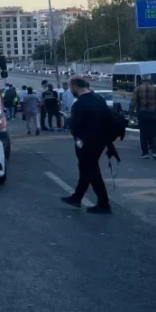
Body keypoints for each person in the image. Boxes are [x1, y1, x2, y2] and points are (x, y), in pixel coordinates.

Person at [62, 76, 114, 213]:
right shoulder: (98, 99)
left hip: (85, 142)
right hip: (100, 141)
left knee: (91, 170)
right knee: (86, 169)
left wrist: (68, 120)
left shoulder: (79, 104)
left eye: (70, 86)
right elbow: (108, 119)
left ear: (76, 87)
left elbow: (75, 126)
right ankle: (77, 197)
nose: (70, 89)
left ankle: (104, 203)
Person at [129, 75, 156, 159]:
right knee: (155, 133)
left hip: (142, 113)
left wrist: (130, 112)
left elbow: (133, 102)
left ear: (141, 80)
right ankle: (155, 152)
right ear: (150, 80)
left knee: (143, 133)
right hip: (153, 113)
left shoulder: (137, 89)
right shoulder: (155, 88)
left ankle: (145, 153)